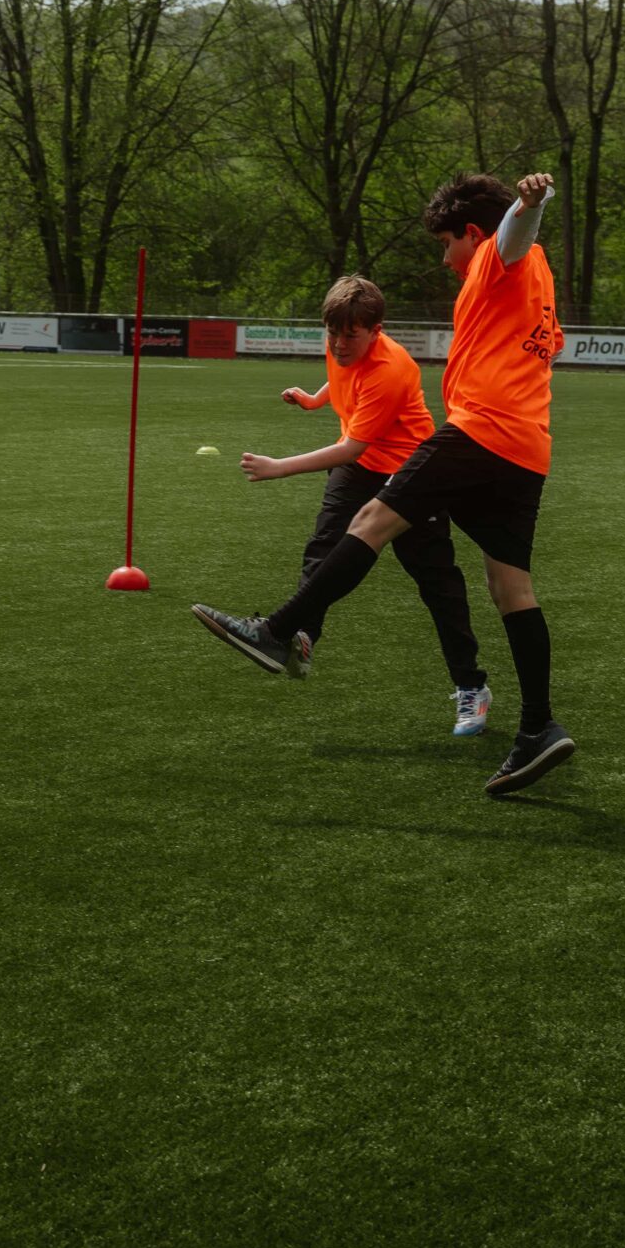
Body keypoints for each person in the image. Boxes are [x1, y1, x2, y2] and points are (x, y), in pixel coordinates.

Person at [192, 172, 575, 797]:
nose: (445, 258)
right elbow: (550, 342)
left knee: (371, 521)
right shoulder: (542, 280)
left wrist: (529, 203)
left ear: (471, 234)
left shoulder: (498, 258)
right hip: (529, 447)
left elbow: (511, 234)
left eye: (446, 244)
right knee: (510, 587)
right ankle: (538, 727)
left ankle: (277, 632)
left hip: (480, 430)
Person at [242, 274, 494, 737]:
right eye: (332, 333)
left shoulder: (390, 369)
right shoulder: (342, 340)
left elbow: (350, 448)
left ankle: (471, 686)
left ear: (376, 331)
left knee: (437, 584)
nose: (339, 345)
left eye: (350, 336)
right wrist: (315, 400)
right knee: (323, 548)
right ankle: (301, 638)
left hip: (412, 473)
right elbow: (343, 379)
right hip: (361, 467)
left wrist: (279, 467)